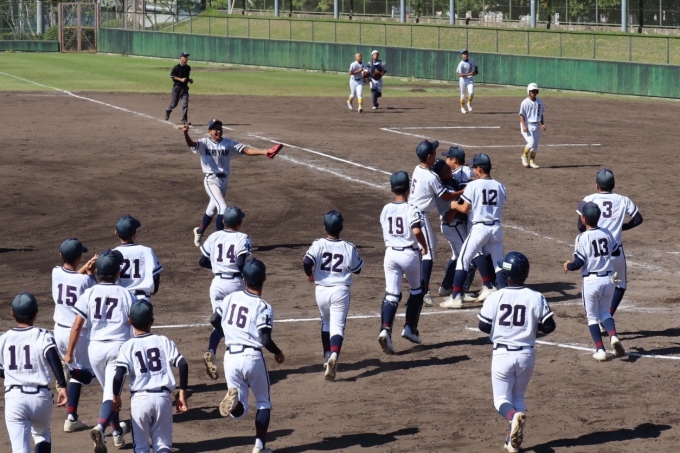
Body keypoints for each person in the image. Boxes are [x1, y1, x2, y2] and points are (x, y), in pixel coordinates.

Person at [478, 252, 555, 453]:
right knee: (518, 396)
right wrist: (531, 329)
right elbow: (549, 326)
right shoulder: (536, 296)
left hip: (502, 355)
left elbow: (483, 325)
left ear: (505, 275)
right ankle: (512, 442)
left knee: (501, 400)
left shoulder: (495, 296)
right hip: (526, 355)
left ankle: (512, 418)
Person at [66, 249, 138, 452]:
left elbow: (77, 326)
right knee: (112, 394)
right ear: (117, 273)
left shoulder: (89, 293)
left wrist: (69, 353)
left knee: (109, 392)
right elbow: (135, 325)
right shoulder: (126, 294)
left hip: (95, 349)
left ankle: (116, 433)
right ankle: (100, 427)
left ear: (97, 272)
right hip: (118, 349)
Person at [211, 259, 284, 453]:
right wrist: (278, 352)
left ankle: (234, 405)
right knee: (263, 402)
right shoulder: (264, 306)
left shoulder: (230, 298)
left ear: (243, 280)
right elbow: (265, 339)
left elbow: (214, 319)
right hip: (252, 357)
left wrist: (228, 334)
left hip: (230, 357)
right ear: (264, 279)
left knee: (240, 411)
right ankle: (259, 447)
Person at [182, 119, 283, 247]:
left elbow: (245, 150)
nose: (218, 131)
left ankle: (199, 231)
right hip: (211, 180)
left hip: (224, 181)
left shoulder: (228, 143)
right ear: (209, 131)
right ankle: (219, 241)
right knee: (222, 208)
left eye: (220, 128)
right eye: (215, 129)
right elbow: (191, 144)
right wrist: (186, 133)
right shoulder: (203, 143)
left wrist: (265, 151)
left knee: (212, 210)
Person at [112, 301, 189, 453]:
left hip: (140, 401)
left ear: (130, 321)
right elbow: (183, 364)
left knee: (141, 447)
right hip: (163, 399)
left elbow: (119, 375)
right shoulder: (163, 341)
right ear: (152, 322)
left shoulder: (127, 346)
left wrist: (116, 397)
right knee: (163, 446)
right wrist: (182, 395)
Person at [0, 293, 68, 453]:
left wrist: (13, 374)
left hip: (15, 399)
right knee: (42, 435)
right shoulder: (43, 335)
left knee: (20, 449)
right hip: (40, 398)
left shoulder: (4, 339)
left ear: (12, 313)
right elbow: (53, 357)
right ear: (36, 313)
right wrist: (63, 385)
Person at [303, 210, 364, 381]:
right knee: (337, 326)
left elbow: (307, 261)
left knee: (326, 322)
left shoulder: (318, 244)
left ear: (324, 227)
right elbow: (358, 269)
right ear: (341, 228)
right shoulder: (348, 247)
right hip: (340, 291)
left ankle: (326, 356)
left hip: (321, 291)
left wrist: (309, 274)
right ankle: (334, 355)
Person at [441, 153, 507, 309]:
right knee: (498, 264)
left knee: (463, 260)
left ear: (480, 169)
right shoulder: (500, 186)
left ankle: (455, 297)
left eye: (474, 168)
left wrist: (454, 205)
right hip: (496, 228)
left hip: (479, 229)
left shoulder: (473, 186)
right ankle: (505, 296)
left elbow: (465, 208)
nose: (473, 171)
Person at [564, 202, 626, 361]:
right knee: (605, 312)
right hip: (609, 279)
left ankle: (600, 350)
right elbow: (616, 251)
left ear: (584, 219)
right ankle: (613, 336)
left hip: (592, 281)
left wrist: (568, 266)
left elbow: (578, 263)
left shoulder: (582, 237)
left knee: (592, 317)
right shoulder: (607, 233)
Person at [578, 168, 643, 319]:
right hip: (615, 252)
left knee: (593, 284)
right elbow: (638, 219)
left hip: (595, 252)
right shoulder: (623, 200)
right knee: (620, 284)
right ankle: (607, 315)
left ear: (597, 185)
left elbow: (580, 226)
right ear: (613, 184)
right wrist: (622, 227)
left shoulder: (588, 199)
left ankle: (595, 317)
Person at [199, 206, 253, 381]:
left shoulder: (214, 236)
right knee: (237, 324)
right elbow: (240, 261)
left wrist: (218, 266)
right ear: (240, 223)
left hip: (217, 284)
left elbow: (202, 261)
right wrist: (246, 276)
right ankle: (237, 362)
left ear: (223, 221)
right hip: (235, 284)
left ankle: (211, 350)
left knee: (220, 323)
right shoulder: (242, 237)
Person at [378, 171, 429, 354]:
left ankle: (385, 329)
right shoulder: (412, 209)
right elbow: (416, 231)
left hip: (391, 254)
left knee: (392, 294)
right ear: (408, 189)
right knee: (416, 291)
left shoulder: (386, 209)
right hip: (409, 255)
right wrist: (424, 246)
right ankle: (409, 328)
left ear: (392, 189)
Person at [51, 238, 97, 432]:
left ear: (61, 255)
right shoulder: (86, 280)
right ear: (79, 257)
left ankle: (71, 418)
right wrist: (91, 272)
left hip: (58, 331)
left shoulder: (55, 272)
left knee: (76, 370)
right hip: (76, 334)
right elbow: (95, 291)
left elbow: (72, 279)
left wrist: (85, 268)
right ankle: (69, 373)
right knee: (88, 375)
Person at [409, 140, 458, 306]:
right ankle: (424, 291)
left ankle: (416, 276)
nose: (436, 155)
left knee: (431, 244)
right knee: (429, 253)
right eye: (434, 152)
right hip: (418, 216)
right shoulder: (431, 177)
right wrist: (465, 190)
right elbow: (446, 196)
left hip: (411, 212)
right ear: (429, 156)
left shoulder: (418, 169)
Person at [114, 215, 163, 301]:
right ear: (135, 235)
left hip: (121, 300)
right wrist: (154, 290)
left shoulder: (112, 253)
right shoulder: (146, 251)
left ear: (116, 233)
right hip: (142, 300)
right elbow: (155, 275)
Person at [519, 83, 546, 169]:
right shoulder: (525, 102)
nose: (534, 93)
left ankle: (532, 162)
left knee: (535, 145)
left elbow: (540, 114)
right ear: (528, 91)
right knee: (531, 142)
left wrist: (542, 124)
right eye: (532, 91)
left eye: (535, 91)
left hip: (536, 125)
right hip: (527, 125)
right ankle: (524, 156)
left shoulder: (539, 102)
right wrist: (524, 126)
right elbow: (521, 115)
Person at [165, 52, 193, 124]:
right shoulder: (176, 67)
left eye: (187, 57)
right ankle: (168, 110)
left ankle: (184, 120)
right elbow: (172, 76)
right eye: (185, 57)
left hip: (185, 88)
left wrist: (189, 80)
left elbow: (186, 77)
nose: (186, 58)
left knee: (185, 104)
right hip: (177, 88)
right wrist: (180, 79)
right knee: (174, 104)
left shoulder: (188, 68)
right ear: (181, 58)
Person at [457, 49, 478, 114]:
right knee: (463, 94)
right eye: (464, 54)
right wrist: (469, 74)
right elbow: (459, 75)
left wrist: (474, 73)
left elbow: (476, 70)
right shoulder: (461, 64)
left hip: (470, 79)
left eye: (466, 53)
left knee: (471, 93)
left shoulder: (472, 62)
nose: (466, 55)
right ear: (462, 55)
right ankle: (462, 108)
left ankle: (469, 103)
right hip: (462, 80)